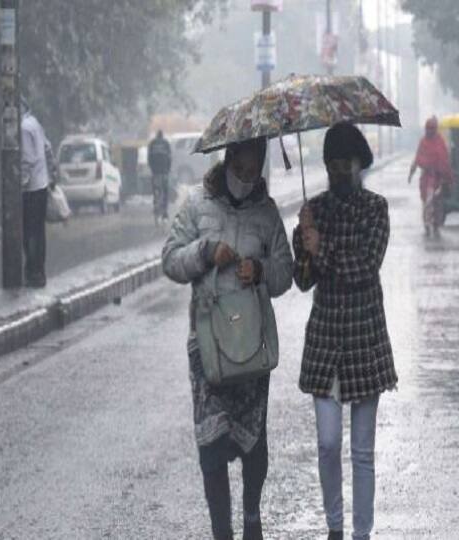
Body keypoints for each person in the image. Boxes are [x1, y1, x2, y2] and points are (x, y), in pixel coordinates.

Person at [162, 137, 293, 540]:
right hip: (209, 346)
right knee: (211, 443)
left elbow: (284, 272)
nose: (246, 177)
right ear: (229, 159)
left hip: (251, 345)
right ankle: (222, 530)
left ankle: (252, 517)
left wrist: (259, 268)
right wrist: (204, 252)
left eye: (254, 171)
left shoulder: (267, 212)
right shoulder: (196, 204)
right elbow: (170, 259)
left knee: (254, 443)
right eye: (241, 169)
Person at [293, 122, 398, 540]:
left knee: (363, 451)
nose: (340, 173)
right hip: (324, 342)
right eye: (332, 165)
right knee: (328, 444)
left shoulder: (376, 208)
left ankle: (360, 533)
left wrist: (323, 249)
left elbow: (364, 266)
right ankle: (333, 527)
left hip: (364, 339)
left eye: (346, 164)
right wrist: (302, 242)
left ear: (361, 164)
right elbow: (303, 281)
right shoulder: (314, 211)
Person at [20, 98, 52, 288]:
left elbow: (27, 160)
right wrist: (51, 173)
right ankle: (39, 271)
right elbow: (47, 148)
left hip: (31, 188)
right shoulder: (35, 123)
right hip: (42, 185)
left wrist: (20, 186)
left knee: (30, 232)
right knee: (39, 232)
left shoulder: (23, 127)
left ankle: (33, 272)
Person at [408, 116, 454, 237]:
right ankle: (427, 224)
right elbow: (417, 158)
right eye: (428, 128)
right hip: (427, 179)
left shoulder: (440, 141)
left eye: (432, 128)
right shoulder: (423, 141)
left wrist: (448, 178)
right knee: (427, 202)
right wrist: (411, 174)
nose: (429, 130)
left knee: (438, 203)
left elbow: (445, 160)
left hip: (439, 179)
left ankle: (436, 225)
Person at [148, 130, 172, 221]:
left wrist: (152, 170)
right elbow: (170, 158)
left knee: (155, 191)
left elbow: (149, 159)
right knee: (165, 192)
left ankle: (155, 205)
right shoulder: (166, 144)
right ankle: (165, 212)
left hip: (155, 173)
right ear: (162, 136)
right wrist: (168, 170)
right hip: (164, 172)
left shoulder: (152, 144)